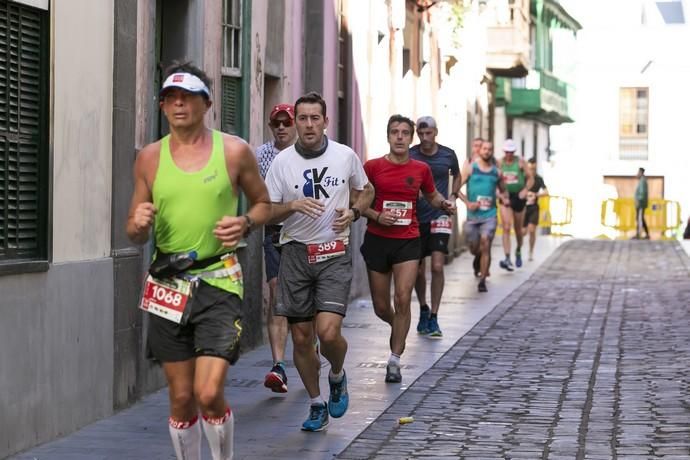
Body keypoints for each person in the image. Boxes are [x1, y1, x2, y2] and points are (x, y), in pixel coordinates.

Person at [126, 62, 271, 460]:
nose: (178, 105)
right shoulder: (150, 159)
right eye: (170, 98)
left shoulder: (234, 151)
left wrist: (244, 223)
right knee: (182, 396)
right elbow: (133, 229)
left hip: (220, 278)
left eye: (187, 97)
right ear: (162, 107)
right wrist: (137, 224)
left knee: (209, 393)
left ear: (206, 103)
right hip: (167, 284)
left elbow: (264, 204)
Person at [264, 91, 374, 432]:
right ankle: (315, 403)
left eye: (315, 118)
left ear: (325, 121)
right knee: (300, 338)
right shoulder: (282, 163)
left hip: (333, 252)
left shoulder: (344, 156)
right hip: (295, 254)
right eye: (302, 118)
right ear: (294, 123)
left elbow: (366, 189)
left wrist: (354, 212)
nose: (308, 125)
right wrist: (291, 207)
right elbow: (265, 210)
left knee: (327, 332)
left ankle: (337, 374)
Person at [361, 114, 456, 383]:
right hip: (378, 239)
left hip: (408, 239)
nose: (400, 137)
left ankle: (394, 360)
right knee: (382, 306)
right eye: (395, 132)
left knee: (402, 298)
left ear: (411, 137)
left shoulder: (420, 169)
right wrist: (377, 216)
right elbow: (357, 202)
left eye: (405, 132)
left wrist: (443, 204)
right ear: (388, 136)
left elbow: (431, 195)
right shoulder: (372, 167)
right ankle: (397, 326)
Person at [255, 103, 297, 393]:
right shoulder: (260, 155)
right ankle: (279, 366)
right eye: (276, 123)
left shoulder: (307, 154)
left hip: (306, 234)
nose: (281, 127)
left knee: (302, 301)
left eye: (286, 123)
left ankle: (309, 345)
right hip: (274, 233)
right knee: (276, 293)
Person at [409, 116, 460, 338]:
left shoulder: (447, 154)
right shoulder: (410, 154)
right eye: (421, 133)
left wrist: (453, 195)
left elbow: (457, 175)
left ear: (436, 132)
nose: (425, 137)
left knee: (437, 266)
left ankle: (435, 316)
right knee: (418, 269)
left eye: (428, 133)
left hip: (440, 214)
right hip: (415, 217)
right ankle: (423, 308)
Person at [458, 140, 508, 292]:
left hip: (490, 215)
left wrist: (504, 198)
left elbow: (503, 191)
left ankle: (482, 281)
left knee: (486, 243)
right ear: (480, 151)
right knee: (475, 248)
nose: (487, 151)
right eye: (484, 149)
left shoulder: (496, 172)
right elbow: (456, 188)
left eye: (490, 149)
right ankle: (477, 257)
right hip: (473, 217)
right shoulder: (471, 169)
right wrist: (467, 203)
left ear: (492, 152)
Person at [497, 139, 532, 271]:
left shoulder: (521, 162)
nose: (509, 155)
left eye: (511, 152)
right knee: (506, 227)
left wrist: (525, 190)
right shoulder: (499, 163)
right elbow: (494, 179)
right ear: (504, 152)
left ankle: (518, 250)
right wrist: (500, 195)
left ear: (514, 152)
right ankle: (507, 257)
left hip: (519, 196)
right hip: (505, 196)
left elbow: (530, 178)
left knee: (518, 230)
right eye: (507, 152)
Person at [523, 158, 549, 261]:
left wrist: (536, 194)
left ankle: (531, 251)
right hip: (523, 207)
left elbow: (546, 191)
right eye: (530, 168)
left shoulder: (539, 179)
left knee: (532, 230)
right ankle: (519, 249)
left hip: (534, 207)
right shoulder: (524, 178)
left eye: (533, 169)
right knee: (523, 232)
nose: (531, 171)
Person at [634, 167, 649, 239]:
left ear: (641, 172)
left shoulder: (642, 181)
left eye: (638, 172)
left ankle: (638, 234)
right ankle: (645, 234)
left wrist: (638, 200)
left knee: (639, 218)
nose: (637, 174)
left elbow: (642, 193)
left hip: (640, 204)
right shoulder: (642, 180)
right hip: (640, 203)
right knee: (640, 218)